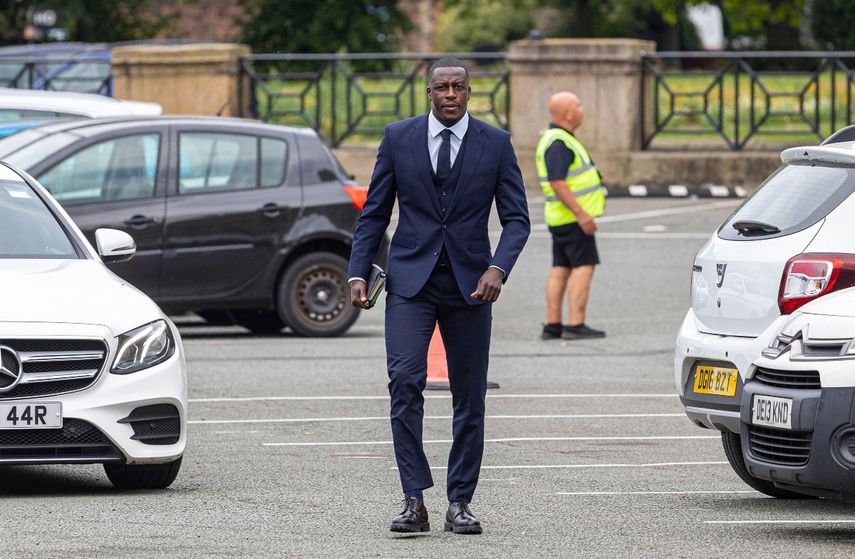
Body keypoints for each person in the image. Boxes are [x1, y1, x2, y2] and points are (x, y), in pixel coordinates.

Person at [347, 57, 530, 535]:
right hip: (411, 283)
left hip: (472, 287)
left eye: (458, 87)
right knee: (404, 382)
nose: (450, 94)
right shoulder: (398, 138)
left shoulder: (496, 144)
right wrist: (357, 273)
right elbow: (373, 215)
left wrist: (498, 268)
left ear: (470, 93)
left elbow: (517, 220)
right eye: (441, 87)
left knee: (469, 397)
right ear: (429, 93)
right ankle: (413, 499)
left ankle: (460, 502)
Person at [537, 91, 606, 341]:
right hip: (572, 218)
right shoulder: (559, 142)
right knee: (583, 267)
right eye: (578, 104)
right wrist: (582, 215)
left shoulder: (557, 138)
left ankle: (553, 325)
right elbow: (558, 182)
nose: (582, 109)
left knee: (561, 268)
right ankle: (575, 323)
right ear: (567, 113)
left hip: (560, 217)